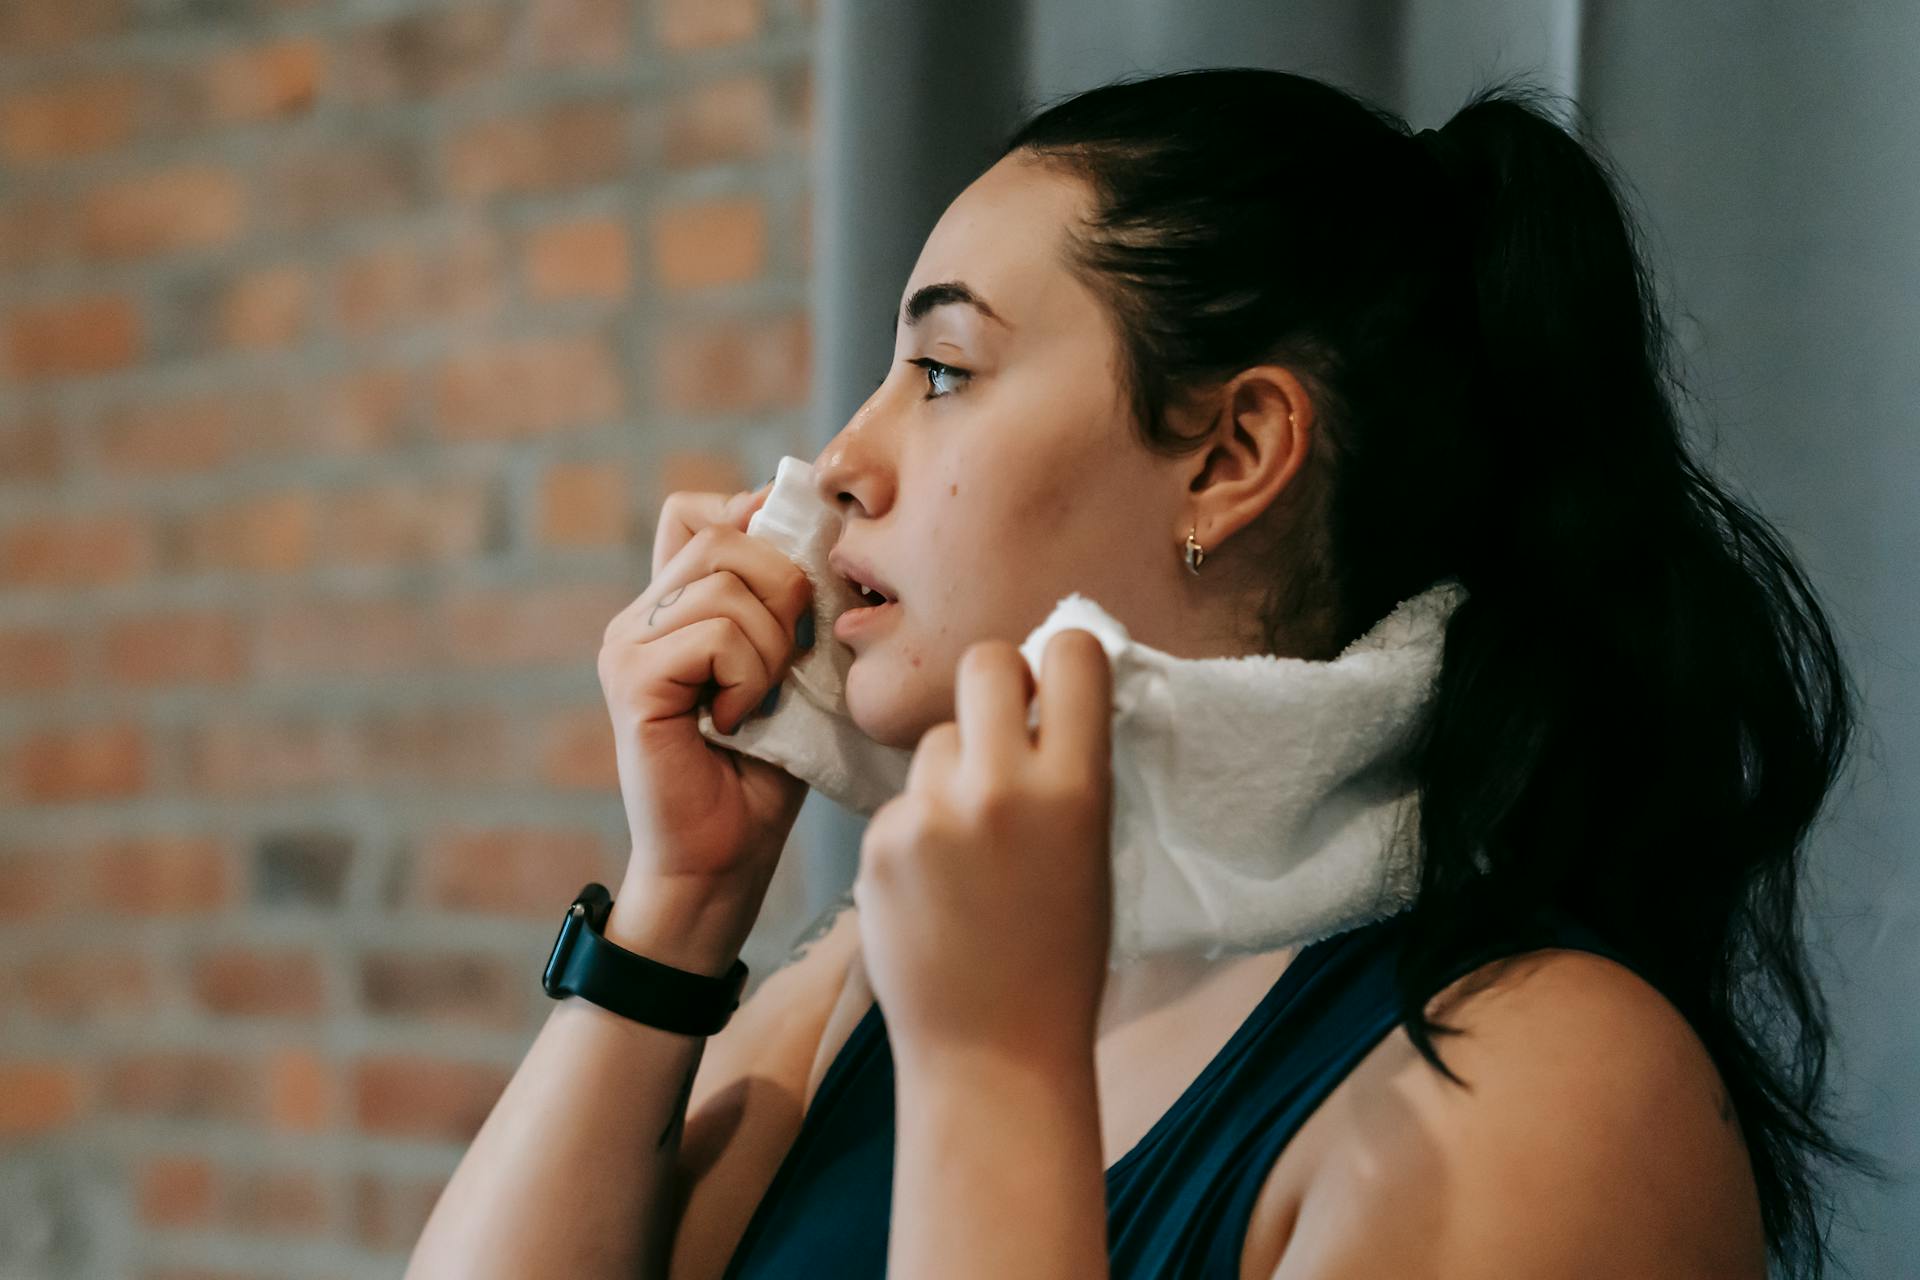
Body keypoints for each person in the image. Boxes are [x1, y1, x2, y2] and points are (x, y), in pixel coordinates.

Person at [405, 68, 1882, 1279]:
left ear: (1233, 457)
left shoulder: (1556, 1086)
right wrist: (683, 904)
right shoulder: (862, 979)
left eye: (942, 373)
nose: (840, 463)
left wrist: (992, 1073)